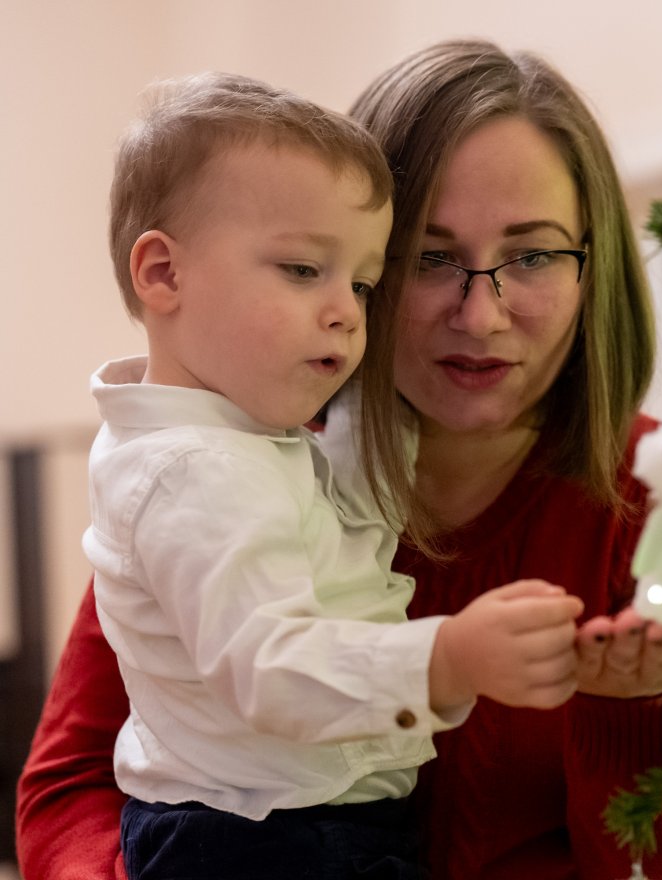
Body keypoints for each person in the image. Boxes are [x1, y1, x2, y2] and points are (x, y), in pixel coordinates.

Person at [17, 39, 662, 880]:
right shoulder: (225, 472)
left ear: (596, 271)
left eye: (533, 254)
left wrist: (632, 710)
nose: (480, 316)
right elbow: (70, 784)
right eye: (429, 258)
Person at [81, 71, 585, 879]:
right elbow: (270, 670)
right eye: (303, 271)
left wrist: (391, 409)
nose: (350, 312)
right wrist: (446, 658)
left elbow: (340, 526)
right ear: (164, 275)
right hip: (262, 844)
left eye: (364, 282)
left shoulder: (240, 441)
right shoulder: (194, 474)